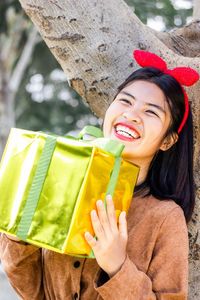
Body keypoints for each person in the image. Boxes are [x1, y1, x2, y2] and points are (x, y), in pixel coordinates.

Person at [0, 50, 199, 300]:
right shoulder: (65, 182)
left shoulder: (164, 217)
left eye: (151, 112)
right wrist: (17, 238)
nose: (131, 115)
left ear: (167, 141)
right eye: (125, 101)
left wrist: (117, 266)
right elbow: (33, 291)